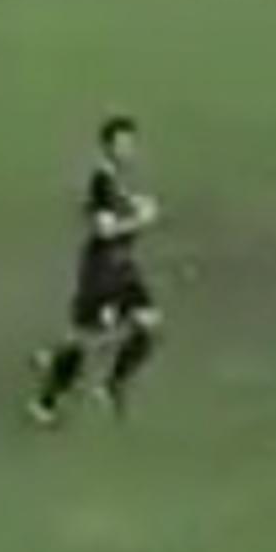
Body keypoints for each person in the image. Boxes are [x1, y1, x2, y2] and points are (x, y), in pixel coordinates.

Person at [32, 116, 162, 427]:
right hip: (102, 271)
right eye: (123, 143)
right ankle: (45, 403)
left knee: (148, 323)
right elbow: (103, 230)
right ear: (109, 146)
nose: (129, 149)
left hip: (122, 267)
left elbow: (118, 208)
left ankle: (110, 385)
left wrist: (135, 203)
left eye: (131, 142)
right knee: (83, 341)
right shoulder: (101, 181)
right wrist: (142, 220)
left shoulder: (116, 178)